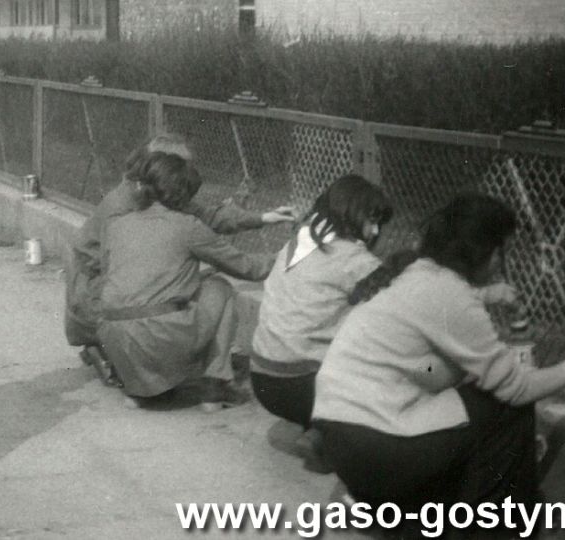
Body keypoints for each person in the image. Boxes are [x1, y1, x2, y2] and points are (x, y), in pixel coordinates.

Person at [312, 193, 565, 536]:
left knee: (466, 394)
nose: (501, 260)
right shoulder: (452, 296)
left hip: (341, 443)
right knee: (506, 406)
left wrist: (487, 301)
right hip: (380, 448)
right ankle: (500, 527)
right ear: (486, 252)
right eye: (502, 250)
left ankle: (422, 512)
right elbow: (518, 388)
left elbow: (426, 366)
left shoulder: (416, 274)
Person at [65, 133, 294, 360]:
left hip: (113, 304)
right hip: (93, 301)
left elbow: (207, 215)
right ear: (157, 164)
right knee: (199, 289)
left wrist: (263, 218)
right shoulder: (123, 207)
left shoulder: (151, 191)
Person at [95, 152, 276, 410]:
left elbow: (118, 278)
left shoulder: (116, 224)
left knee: (149, 305)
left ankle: (141, 389)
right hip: (160, 336)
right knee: (220, 288)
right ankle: (215, 388)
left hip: (114, 338)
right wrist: (292, 254)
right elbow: (249, 268)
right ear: (184, 194)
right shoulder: (188, 225)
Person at [249, 174, 392, 472]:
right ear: (351, 215)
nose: (376, 230)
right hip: (306, 385)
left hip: (263, 378)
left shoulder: (298, 243)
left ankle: (319, 427)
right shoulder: (354, 258)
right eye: (372, 220)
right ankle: (331, 435)